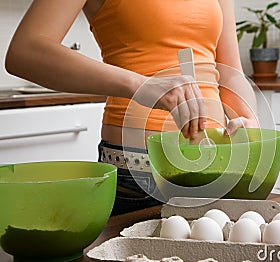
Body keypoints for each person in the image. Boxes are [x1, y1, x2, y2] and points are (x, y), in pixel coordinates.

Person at [5, 0, 259, 215]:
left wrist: (248, 118)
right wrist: (141, 84)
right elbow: (24, 51)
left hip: (218, 165)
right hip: (139, 174)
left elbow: (231, 73)